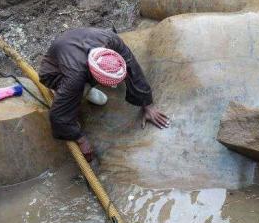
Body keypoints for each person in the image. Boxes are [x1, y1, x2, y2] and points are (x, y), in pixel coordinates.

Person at [38, 27, 170, 161]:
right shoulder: (75, 76)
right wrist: (81, 139)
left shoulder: (112, 40)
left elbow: (133, 68)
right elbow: (58, 116)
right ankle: (71, 90)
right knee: (75, 90)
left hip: (77, 45)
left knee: (84, 85)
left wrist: (147, 104)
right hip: (54, 70)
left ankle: (84, 88)